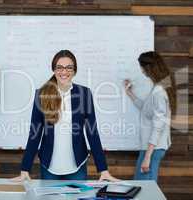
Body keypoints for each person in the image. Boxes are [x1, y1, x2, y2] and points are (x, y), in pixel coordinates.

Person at [13, 50, 118, 181]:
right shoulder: (41, 94)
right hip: (49, 166)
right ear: (54, 69)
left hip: (77, 166)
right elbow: (34, 133)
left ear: (74, 70)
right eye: (59, 68)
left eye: (69, 67)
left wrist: (103, 169)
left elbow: (92, 132)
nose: (64, 72)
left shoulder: (84, 93)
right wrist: (25, 168)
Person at [124, 51, 176, 182]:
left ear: (148, 68)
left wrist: (147, 157)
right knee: (143, 186)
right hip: (150, 148)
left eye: (141, 66)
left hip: (153, 149)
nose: (141, 70)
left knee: (146, 189)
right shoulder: (158, 88)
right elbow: (146, 110)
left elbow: (158, 125)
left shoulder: (159, 92)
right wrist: (130, 93)